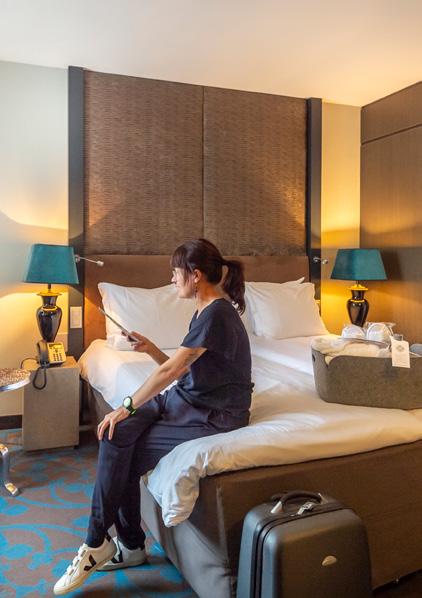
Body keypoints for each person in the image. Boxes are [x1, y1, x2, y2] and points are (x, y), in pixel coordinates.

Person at [53, 238, 253, 595]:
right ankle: (125, 545)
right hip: (186, 398)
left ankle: (100, 541)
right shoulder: (204, 309)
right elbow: (183, 368)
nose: (172, 279)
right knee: (115, 433)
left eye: (175, 273)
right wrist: (150, 349)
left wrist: (127, 405)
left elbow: (172, 371)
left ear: (195, 275)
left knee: (123, 448)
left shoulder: (217, 314)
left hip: (213, 414)